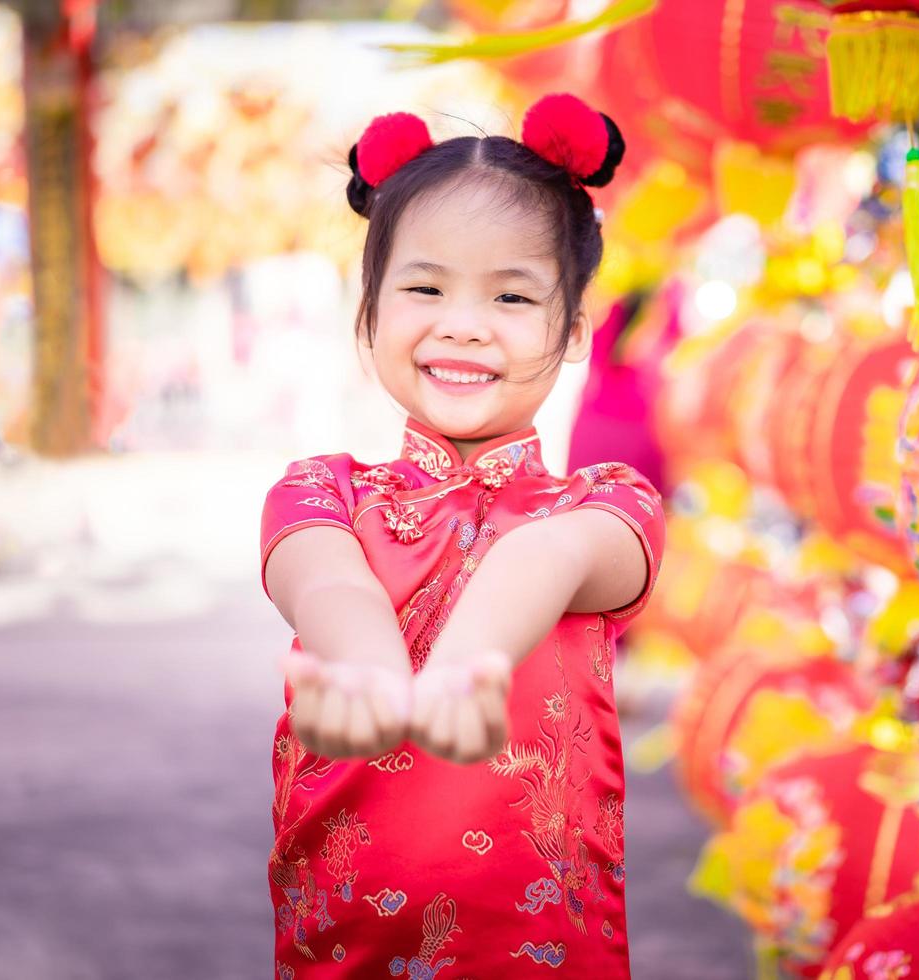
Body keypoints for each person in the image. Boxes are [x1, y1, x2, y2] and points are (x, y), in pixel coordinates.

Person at [258, 94, 664, 977]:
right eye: (425, 287)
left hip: (546, 955)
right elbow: (328, 583)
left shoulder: (607, 507)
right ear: (369, 313)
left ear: (574, 331)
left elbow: (545, 558)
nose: (465, 322)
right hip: (345, 951)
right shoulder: (319, 491)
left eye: (512, 295)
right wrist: (369, 669)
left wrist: (462, 668)